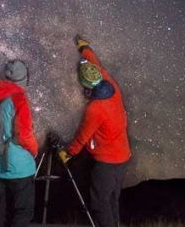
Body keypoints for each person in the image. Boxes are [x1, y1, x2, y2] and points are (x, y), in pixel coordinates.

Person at [58, 35, 131, 227]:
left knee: (99, 204)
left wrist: (69, 153)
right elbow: (95, 63)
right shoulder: (110, 84)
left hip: (107, 163)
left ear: (85, 85)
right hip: (123, 157)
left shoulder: (95, 108)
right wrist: (85, 48)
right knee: (112, 199)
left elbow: (83, 135)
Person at [0, 60, 39, 227]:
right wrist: (34, 150)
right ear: (23, 79)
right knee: (22, 212)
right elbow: (24, 133)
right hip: (19, 168)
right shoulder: (19, 98)